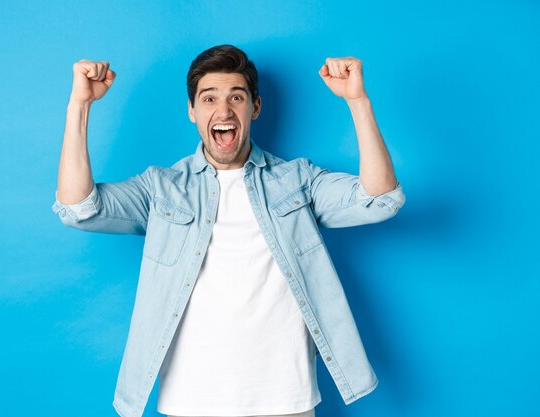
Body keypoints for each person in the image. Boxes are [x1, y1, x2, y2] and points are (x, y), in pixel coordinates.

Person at [52, 45, 405, 417]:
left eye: (236, 97)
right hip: (191, 400)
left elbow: (380, 200)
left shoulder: (297, 180)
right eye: (209, 98)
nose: (223, 111)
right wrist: (80, 105)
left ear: (255, 107)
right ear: (192, 111)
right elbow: (78, 209)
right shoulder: (161, 188)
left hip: (286, 398)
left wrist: (358, 100)